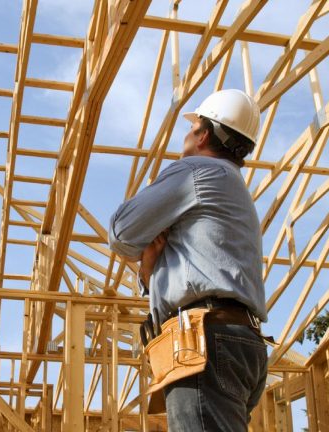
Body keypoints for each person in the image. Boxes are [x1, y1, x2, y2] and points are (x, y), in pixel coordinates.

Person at [108, 89, 268, 431]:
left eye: (193, 125)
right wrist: (150, 269)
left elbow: (121, 233)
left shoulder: (196, 171)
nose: (187, 132)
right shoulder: (232, 186)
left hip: (206, 342)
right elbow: (201, 268)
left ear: (205, 134)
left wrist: (143, 247)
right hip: (237, 340)